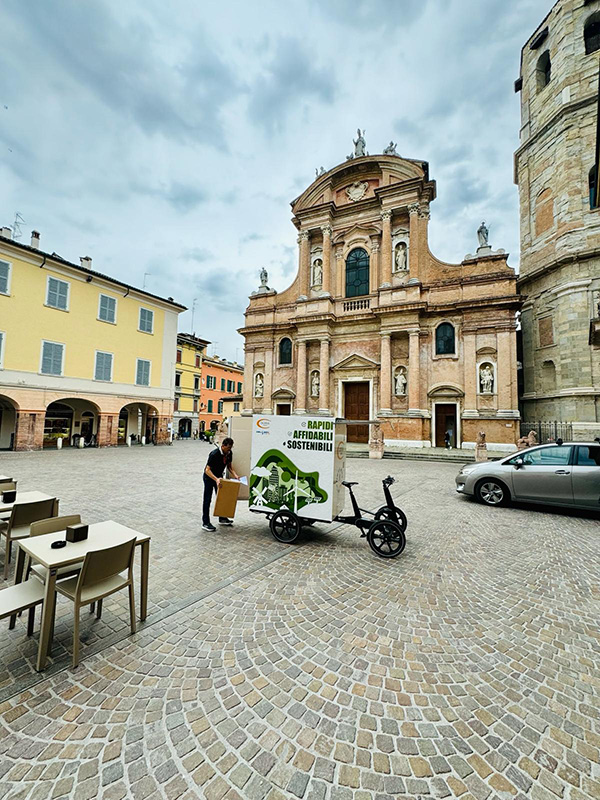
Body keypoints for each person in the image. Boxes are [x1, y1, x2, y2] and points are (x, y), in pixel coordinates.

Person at [202, 437, 239, 532]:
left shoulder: (229, 453)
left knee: (222, 498)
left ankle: (222, 518)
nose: (229, 451)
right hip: (209, 477)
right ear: (223, 446)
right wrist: (216, 479)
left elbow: (229, 466)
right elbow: (207, 470)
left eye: (230, 448)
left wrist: (235, 475)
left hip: (219, 477)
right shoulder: (214, 454)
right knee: (207, 499)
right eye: (227, 448)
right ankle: (205, 523)